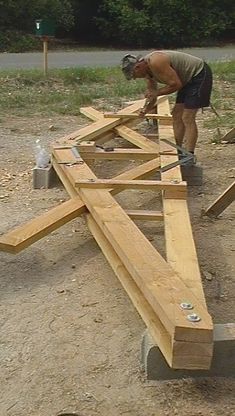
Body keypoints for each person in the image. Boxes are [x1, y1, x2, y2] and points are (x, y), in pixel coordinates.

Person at [121, 50, 213, 163]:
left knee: (187, 117)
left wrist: (157, 93)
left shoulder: (156, 62)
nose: (136, 78)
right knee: (176, 115)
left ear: (138, 67)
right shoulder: (147, 73)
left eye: (134, 75)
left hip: (198, 74)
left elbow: (175, 85)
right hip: (186, 79)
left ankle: (190, 155)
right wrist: (146, 109)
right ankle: (178, 151)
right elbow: (152, 94)